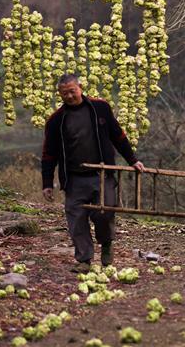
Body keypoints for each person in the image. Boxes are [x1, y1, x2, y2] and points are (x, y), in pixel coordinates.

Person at [42, 74, 145, 271]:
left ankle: (106, 244)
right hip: (74, 178)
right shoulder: (56, 120)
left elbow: (118, 135)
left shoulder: (100, 108)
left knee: (104, 213)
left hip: (102, 174)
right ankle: (84, 260)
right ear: (59, 95)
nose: (70, 96)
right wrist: (47, 183)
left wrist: (133, 160)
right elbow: (49, 154)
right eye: (65, 93)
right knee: (76, 218)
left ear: (80, 87)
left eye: (72, 91)